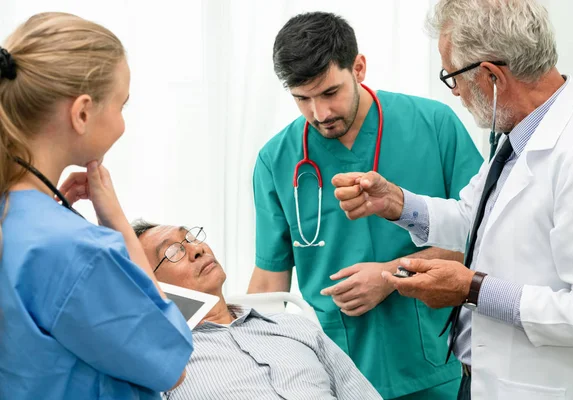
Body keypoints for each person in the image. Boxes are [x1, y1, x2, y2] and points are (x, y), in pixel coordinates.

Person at [333, 1, 573, 399]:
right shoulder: (520, 137)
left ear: (492, 76)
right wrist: (397, 202)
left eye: (452, 76)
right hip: (479, 380)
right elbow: (472, 218)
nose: (454, 90)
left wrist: (472, 289)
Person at [247, 11, 483, 400]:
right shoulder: (276, 159)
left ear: (358, 68)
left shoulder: (434, 125)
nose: (319, 114)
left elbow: (480, 238)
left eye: (329, 93)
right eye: (302, 99)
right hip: (333, 374)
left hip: (434, 364)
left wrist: (391, 276)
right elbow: (271, 281)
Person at [0, 13, 193, 399]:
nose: (122, 123)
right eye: (122, 105)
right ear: (83, 112)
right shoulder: (79, 252)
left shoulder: (17, 222)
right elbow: (172, 364)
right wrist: (117, 223)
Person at [132, 220, 383, 400]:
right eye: (173, 251)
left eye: (191, 238)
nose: (197, 249)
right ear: (149, 285)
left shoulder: (294, 327)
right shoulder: (161, 364)